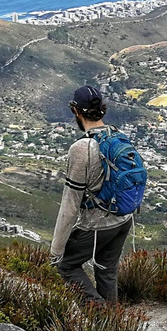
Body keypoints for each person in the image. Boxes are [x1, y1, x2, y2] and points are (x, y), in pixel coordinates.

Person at [49, 85, 134, 303]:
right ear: (103, 110)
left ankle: (100, 315)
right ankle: (113, 328)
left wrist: (56, 250)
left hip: (98, 224)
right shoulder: (118, 136)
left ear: (75, 111)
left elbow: (70, 203)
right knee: (107, 272)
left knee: (65, 266)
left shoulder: (82, 148)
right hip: (123, 219)